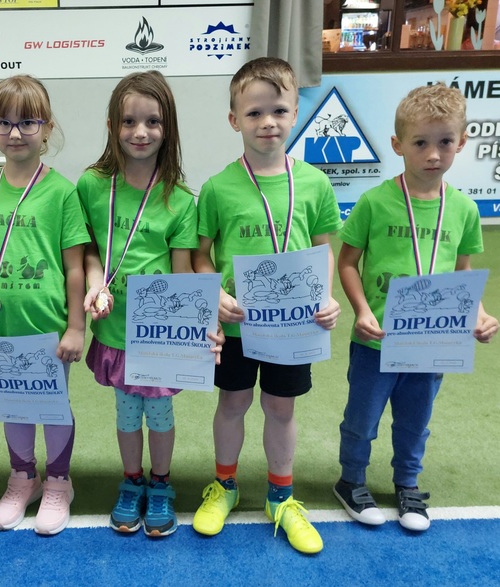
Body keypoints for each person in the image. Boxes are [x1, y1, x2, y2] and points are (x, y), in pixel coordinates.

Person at [191, 57, 342, 554]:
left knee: (281, 407)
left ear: (296, 112)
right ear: (234, 119)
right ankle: (225, 486)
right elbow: (199, 256)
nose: (267, 122)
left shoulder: (315, 183)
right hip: (237, 326)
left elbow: (322, 250)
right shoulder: (217, 187)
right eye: (254, 113)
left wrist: (326, 297)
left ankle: (281, 496)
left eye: (278, 110)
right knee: (232, 403)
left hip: (293, 327)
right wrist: (215, 293)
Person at [334, 83, 499, 532]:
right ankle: (351, 480)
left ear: (461, 143)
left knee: (415, 421)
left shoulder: (463, 209)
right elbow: (347, 263)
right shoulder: (374, 201)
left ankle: (407, 483)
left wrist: (479, 314)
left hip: (432, 342)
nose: (433, 154)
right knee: (362, 419)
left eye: (445, 142)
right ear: (397, 144)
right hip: (376, 341)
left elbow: (463, 273)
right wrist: (362, 310)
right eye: (420, 142)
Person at [79, 70, 222, 538]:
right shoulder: (92, 185)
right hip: (115, 329)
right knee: (126, 414)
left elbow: (182, 273)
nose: (140, 132)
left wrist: (204, 320)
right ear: (111, 126)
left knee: (159, 414)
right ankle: (131, 481)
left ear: (168, 127)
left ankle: (160, 484)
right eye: (129, 121)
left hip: (161, 336)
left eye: (152, 122)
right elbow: (90, 250)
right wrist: (95, 285)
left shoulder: (179, 199)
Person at [0, 75, 88, 536]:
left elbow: (75, 267)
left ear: (47, 128)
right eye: (3, 122)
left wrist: (76, 326)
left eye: (27, 122)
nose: (15, 133)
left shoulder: (62, 192)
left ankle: (58, 482)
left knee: (51, 404)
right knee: (13, 404)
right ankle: (22, 478)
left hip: (48, 327)